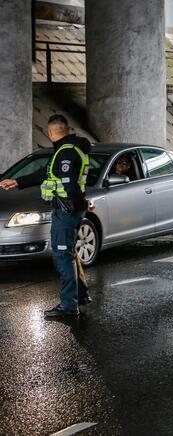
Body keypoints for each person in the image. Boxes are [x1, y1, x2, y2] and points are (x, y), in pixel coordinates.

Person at [0, 114, 92, 318]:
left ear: (51, 132)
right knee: (69, 253)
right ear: (66, 130)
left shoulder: (65, 153)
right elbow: (46, 173)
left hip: (65, 211)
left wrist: (73, 205)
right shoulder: (69, 149)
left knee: (62, 256)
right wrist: (17, 182)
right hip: (70, 210)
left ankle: (68, 306)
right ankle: (81, 295)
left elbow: (69, 184)